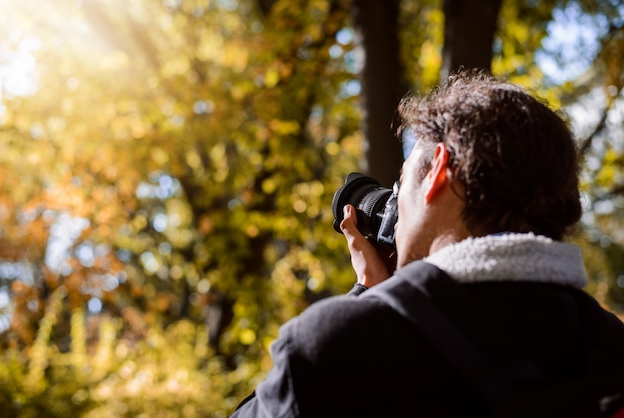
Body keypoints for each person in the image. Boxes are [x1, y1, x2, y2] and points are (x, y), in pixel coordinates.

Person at [229, 69, 624, 417]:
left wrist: (366, 298)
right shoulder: (610, 349)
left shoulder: (339, 347)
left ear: (437, 170)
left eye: (400, 183)